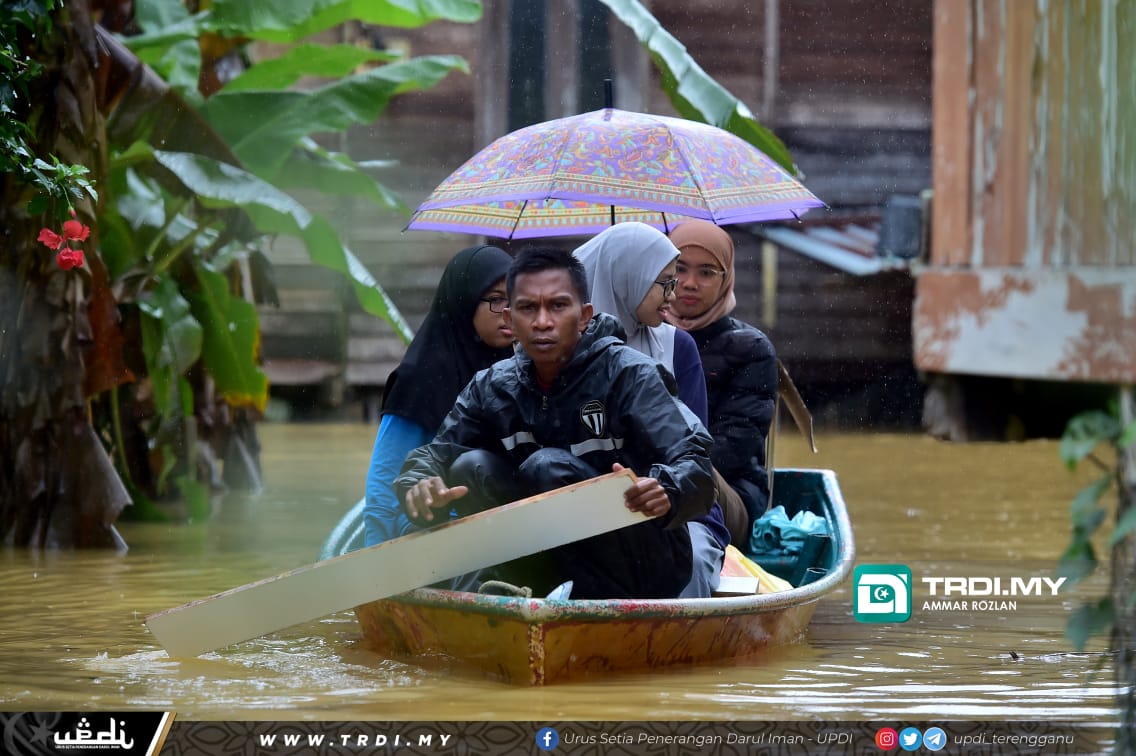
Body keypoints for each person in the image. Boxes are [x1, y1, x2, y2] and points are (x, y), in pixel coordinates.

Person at [394, 246, 715, 600]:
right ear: (510, 317)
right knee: (471, 466)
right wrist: (419, 483)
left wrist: (667, 488)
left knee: (546, 467)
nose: (542, 322)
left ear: (584, 316)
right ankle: (518, 591)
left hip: (645, 559)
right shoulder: (492, 385)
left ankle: (582, 605)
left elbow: (696, 462)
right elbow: (438, 452)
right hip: (544, 556)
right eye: (528, 308)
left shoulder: (631, 374)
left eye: (558, 306)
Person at [572, 222, 729, 598]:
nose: (673, 297)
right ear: (628, 278)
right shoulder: (561, 350)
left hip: (678, 508)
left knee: (688, 564)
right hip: (585, 508)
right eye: (664, 283)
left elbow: (693, 457)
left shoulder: (678, 347)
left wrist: (662, 490)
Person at [362, 244, 514, 547]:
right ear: (465, 301)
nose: (508, 313)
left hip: (498, 523)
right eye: (496, 300)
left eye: (517, 301)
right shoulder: (421, 377)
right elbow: (384, 481)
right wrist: (376, 568)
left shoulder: (519, 368)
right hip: (430, 527)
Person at [665, 220, 778, 548]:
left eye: (706, 273)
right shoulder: (640, 334)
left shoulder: (751, 349)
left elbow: (733, 449)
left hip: (730, 494)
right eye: (679, 269)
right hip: (649, 481)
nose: (689, 284)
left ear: (725, 277)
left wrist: (659, 475)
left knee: (693, 472)